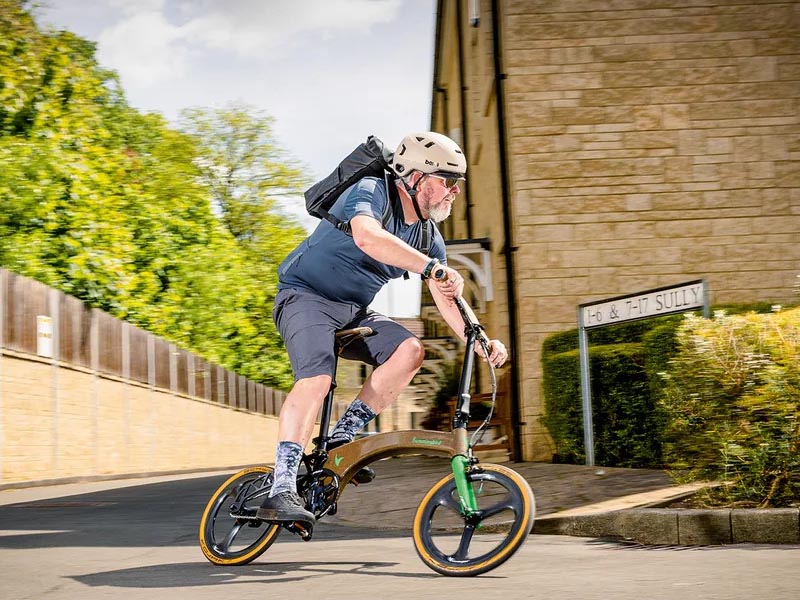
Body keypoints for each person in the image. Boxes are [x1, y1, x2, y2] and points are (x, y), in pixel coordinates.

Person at [257, 131, 509, 523]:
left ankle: (342, 439)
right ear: (416, 177)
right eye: (447, 181)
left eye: (457, 184)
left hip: (354, 309)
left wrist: (477, 338)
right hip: (305, 296)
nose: (454, 192)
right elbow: (367, 236)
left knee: (410, 351)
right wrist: (430, 267)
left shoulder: (428, 236)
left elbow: (446, 298)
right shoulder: (372, 190)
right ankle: (282, 487)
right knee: (317, 381)